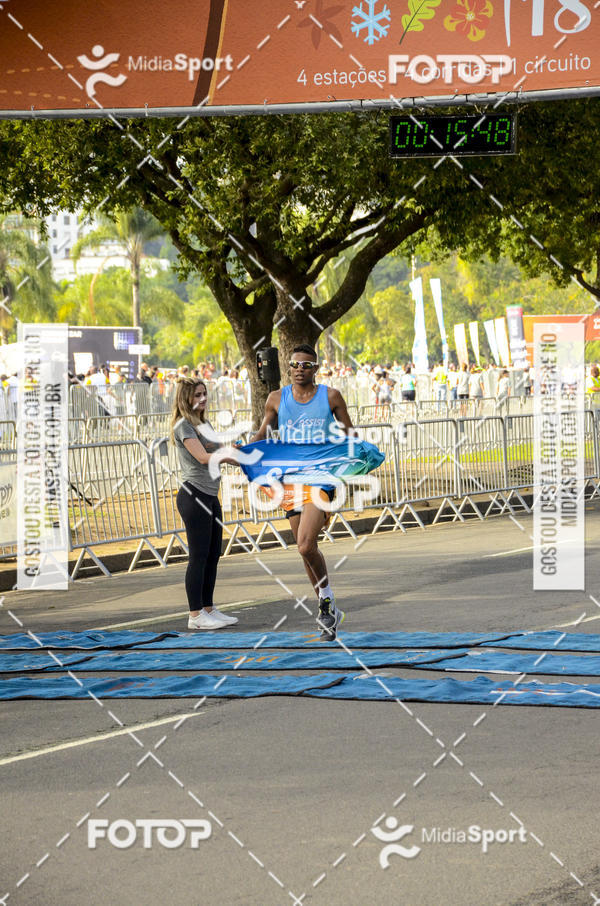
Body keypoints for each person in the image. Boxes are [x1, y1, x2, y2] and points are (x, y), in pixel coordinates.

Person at [249, 344, 356, 640]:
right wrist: (246, 450)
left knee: (306, 545)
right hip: (289, 480)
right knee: (304, 548)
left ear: (316, 369)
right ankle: (327, 605)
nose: (299, 370)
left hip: (321, 478)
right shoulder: (275, 399)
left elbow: (350, 434)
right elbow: (261, 434)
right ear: (288, 367)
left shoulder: (330, 396)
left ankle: (325, 600)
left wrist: (353, 459)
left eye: (306, 365)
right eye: (295, 364)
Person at [171, 377, 240, 630]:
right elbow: (203, 458)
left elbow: (221, 452)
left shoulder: (204, 423)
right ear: (185, 398)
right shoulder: (183, 426)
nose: (202, 398)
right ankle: (195, 615)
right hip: (194, 495)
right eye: (197, 394)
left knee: (213, 554)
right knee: (198, 556)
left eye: (204, 393)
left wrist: (241, 454)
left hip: (210, 495)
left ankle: (208, 608)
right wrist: (228, 455)